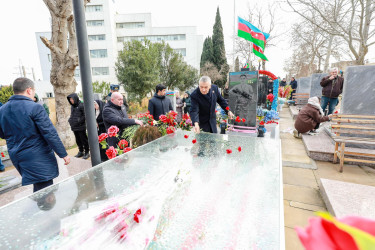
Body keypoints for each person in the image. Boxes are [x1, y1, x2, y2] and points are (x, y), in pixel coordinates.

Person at [0, 78, 70, 192]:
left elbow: (3, 134)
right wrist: (63, 154)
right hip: (37, 155)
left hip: (17, 155)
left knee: (39, 188)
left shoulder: (2, 110)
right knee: (46, 191)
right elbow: (49, 133)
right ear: (29, 90)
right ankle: (44, 209)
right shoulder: (35, 107)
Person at [67, 93, 90, 160]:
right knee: (78, 140)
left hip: (81, 126)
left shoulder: (81, 105)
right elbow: (72, 115)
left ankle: (87, 152)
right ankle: (81, 151)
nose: (71, 100)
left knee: (84, 140)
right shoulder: (72, 106)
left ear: (75, 98)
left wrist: (78, 121)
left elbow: (85, 115)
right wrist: (70, 120)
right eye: (70, 99)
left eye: (72, 99)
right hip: (74, 126)